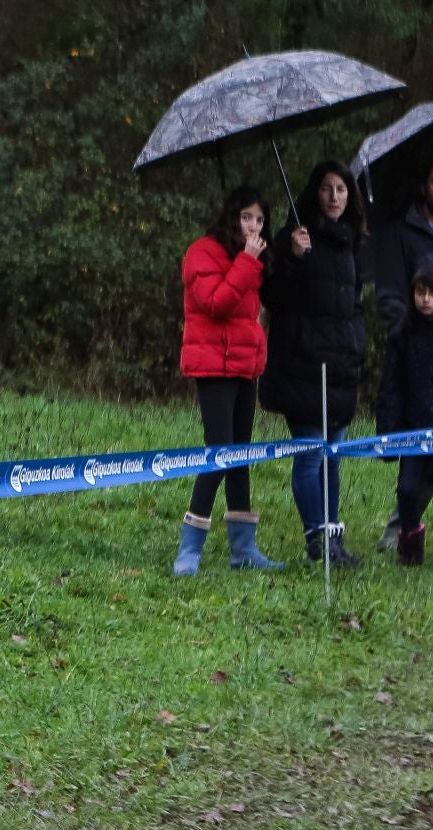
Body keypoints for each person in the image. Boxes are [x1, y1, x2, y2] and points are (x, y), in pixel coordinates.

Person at [259, 162, 367, 568]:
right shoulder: (291, 240)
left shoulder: (350, 242)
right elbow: (275, 298)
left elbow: (353, 304)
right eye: (326, 188)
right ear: (315, 194)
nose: (334, 196)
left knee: (333, 456)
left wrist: (358, 345)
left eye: (341, 188)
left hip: (340, 369)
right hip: (302, 367)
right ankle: (316, 541)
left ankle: (334, 541)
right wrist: (293, 257)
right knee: (310, 456)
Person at [171, 186, 284, 575]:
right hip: (213, 365)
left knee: (242, 454)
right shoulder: (201, 252)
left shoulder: (249, 258)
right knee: (218, 452)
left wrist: (294, 254)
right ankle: (190, 547)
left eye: (259, 220)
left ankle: (243, 548)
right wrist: (247, 262)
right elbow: (217, 302)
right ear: (231, 217)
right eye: (246, 217)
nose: (253, 226)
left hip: (243, 365)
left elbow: (269, 300)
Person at [372, 160, 433, 551]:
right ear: (425, 186)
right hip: (415, 354)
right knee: (414, 476)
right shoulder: (401, 233)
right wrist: (408, 328)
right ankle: (402, 532)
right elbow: (388, 291)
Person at [376, 262, 433, 566]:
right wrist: (387, 436)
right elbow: (390, 388)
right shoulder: (401, 335)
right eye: (420, 292)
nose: (425, 299)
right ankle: (409, 548)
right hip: (412, 431)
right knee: (407, 490)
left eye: (432, 293)